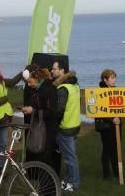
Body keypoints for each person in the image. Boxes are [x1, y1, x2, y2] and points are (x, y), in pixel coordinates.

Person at [21, 65, 59, 170]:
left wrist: (33, 111)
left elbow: (52, 112)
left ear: (37, 79)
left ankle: (50, 184)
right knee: (41, 157)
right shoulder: (40, 89)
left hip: (48, 130)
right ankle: (44, 182)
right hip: (42, 127)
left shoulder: (48, 90)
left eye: (30, 82)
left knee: (46, 158)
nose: (28, 85)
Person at [53, 64, 81, 192]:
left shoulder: (62, 88)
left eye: (54, 69)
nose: (52, 71)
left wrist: (55, 123)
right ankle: (68, 179)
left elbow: (59, 110)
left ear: (62, 71)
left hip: (66, 126)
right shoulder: (75, 85)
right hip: (75, 124)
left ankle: (74, 183)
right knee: (70, 155)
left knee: (70, 158)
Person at [95, 69, 121, 181]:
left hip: (117, 124)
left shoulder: (116, 91)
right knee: (107, 149)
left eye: (115, 77)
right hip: (106, 126)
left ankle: (117, 172)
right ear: (105, 80)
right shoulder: (100, 93)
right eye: (112, 78)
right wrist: (111, 119)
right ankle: (107, 174)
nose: (114, 80)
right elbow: (99, 110)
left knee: (116, 149)